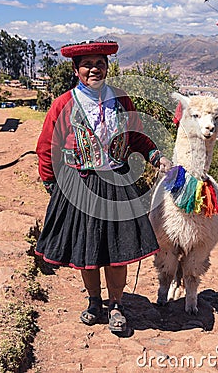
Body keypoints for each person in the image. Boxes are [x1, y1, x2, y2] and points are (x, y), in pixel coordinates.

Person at [35, 40, 171, 333]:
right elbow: (47, 146)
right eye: (87, 64)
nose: (94, 69)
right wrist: (50, 182)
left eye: (100, 63)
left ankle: (117, 305)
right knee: (88, 251)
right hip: (80, 185)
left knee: (118, 250)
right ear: (76, 69)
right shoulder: (64, 104)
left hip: (117, 183)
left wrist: (154, 155)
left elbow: (136, 135)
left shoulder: (121, 100)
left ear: (107, 67)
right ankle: (95, 302)